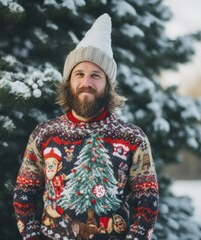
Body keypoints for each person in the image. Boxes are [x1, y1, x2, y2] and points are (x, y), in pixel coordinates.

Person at [13, 13, 159, 240]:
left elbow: (147, 200)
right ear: (69, 81)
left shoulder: (132, 138)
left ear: (108, 85)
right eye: (79, 74)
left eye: (95, 75)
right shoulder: (45, 134)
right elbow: (24, 194)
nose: (86, 83)